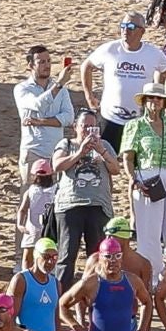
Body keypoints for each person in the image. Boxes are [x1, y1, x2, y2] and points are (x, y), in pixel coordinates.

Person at [120, 81, 166, 279]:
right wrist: (133, 179)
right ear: (145, 101)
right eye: (151, 98)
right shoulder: (135, 125)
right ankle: (152, 276)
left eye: (159, 98)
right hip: (147, 177)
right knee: (149, 230)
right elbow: (128, 158)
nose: (155, 102)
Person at [82, 12, 166, 153]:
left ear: (142, 31)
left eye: (130, 26)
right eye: (123, 25)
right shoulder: (110, 49)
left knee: (139, 164)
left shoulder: (153, 53)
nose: (125, 30)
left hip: (140, 120)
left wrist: (165, 102)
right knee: (105, 160)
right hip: (110, 118)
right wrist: (89, 96)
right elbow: (86, 66)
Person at [50, 112, 119, 288]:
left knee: (97, 255)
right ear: (76, 127)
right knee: (67, 255)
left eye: (92, 127)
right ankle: (61, 298)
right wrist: (81, 152)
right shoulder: (66, 144)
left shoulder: (104, 146)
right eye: (84, 126)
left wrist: (100, 150)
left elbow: (115, 169)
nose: (88, 131)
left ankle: (96, 297)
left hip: (98, 205)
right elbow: (57, 166)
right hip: (70, 205)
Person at [14, 45, 74, 180]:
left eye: (48, 61)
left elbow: (69, 118)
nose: (47, 65)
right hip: (34, 151)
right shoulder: (22, 89)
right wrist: (59, 84)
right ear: (31, 65)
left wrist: (39, 121)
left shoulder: (61, 89)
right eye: (41, 62)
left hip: (57, 152)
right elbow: (38, 105)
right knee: (30, 194)